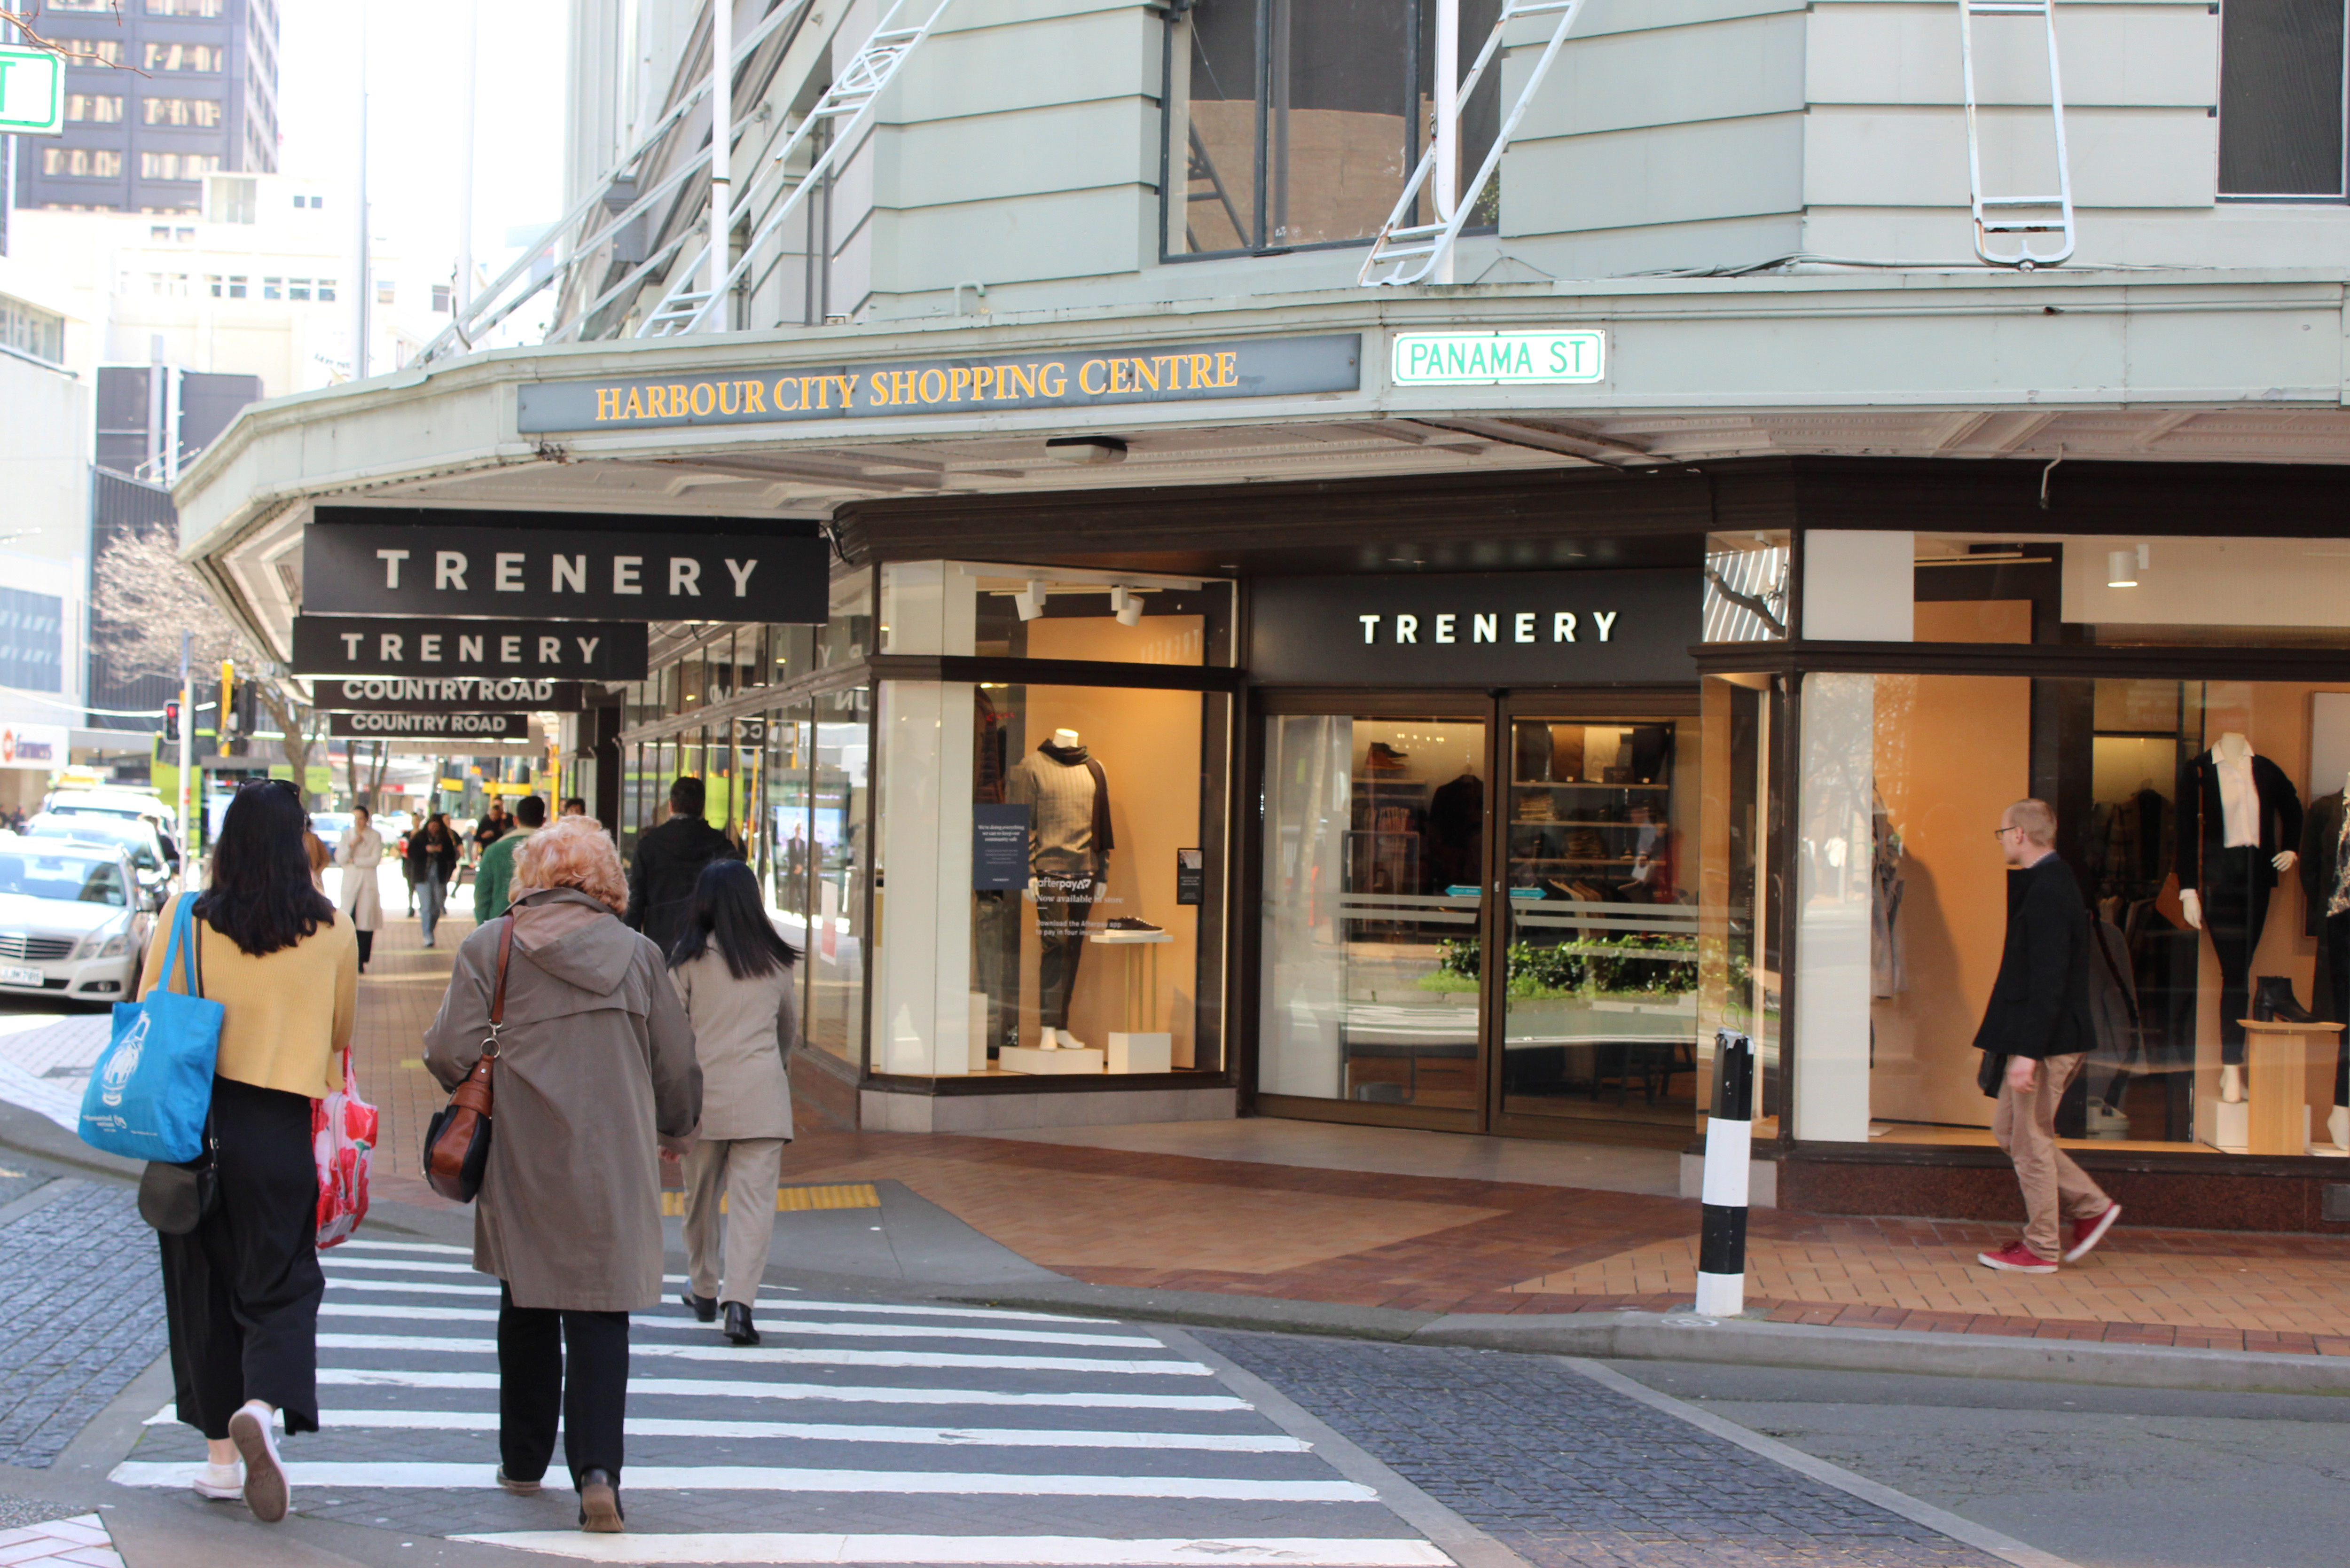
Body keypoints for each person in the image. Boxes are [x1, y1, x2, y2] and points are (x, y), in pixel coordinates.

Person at [423, 815, 700, 1534]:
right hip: (613, 1160)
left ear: (530, 877)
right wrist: (675, 1128)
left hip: (521, 1156)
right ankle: (599, 1474)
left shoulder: (493, 947)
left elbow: (449, 1052)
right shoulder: (639, 956)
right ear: (607, 880)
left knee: (527, 1301)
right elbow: (676, 1063)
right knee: (601, 1313)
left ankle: (522, 1459)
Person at [141, 778, 358, 1524]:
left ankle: (220, 1463)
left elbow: (152, 1013)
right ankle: (262, 1409)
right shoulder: (332, 928)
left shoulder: (183, 918)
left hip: (193, 1128)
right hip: (278, 1130)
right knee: (285, 1281)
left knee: (201, 1289)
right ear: (298, 841)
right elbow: (337, 1034)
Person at [1973, 798, 2122, 1274]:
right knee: (2009, 1133)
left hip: (2046, 1043)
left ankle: (2039, 1247)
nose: (1999, 841)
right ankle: (2090, 1206)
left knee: (2029, 1142)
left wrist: (2027, 1054)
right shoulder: (2046, 883)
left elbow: (2047, 980)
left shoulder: (2047, 889)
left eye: (2001, 833)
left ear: (2018, 834)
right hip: (2042, 1039)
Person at [669, 859, 798, 1346]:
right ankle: (739, 1305)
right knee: (754, 1208)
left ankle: (703, 1288)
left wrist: (669, 1108)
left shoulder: (685, 960)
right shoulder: (777, 961)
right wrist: (773, 1071)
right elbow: (788, 1034)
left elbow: (670, 1041)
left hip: (703, 1102)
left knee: (698, 1200)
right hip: (764, 1099)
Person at [626, 777, 743, 955]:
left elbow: (636, 901)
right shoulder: (721, 846)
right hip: (708, 945)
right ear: (703, 807)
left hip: (661, 942)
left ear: (671, 806)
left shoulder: (649, 845)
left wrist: (631, 947)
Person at [474, 794, 546, 923]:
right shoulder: (553, 850)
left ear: (515, 820)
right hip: (543, 925)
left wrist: (483, 927)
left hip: (500, 923)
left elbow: (482, 894)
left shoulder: (494, 850)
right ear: (544, 821)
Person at [331, 805, 384, 972]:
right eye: (355, 819)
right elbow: (341, 858)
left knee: (366, 924)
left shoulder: (375, 836)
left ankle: (361, 960)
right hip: (350, 884)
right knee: (349, 921)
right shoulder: (347, 835)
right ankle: (348, 959)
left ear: (367, 819)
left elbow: (375, 860)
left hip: (367, 884)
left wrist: (356, 861)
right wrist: (352, 845)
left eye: (361, 819)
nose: (358, 822)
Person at [407, 812, 460, 947]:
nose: (434, 829)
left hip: (439, 876)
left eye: (437, 826)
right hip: (422, 876)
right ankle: (427, 935)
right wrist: (426, 850)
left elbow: (452, 856)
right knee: (426, 906)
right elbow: (411, 854)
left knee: (437, 906)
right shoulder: (420, 837)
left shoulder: (445, 839)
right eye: (432, 826)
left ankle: (430, 930)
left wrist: (441, 851)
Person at [472, 800, 511, 864]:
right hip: (486, 850)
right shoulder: (485, 821)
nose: (493, 817)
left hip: (499, 851)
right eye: (492, 814)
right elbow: (477, 839)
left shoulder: (504, 822)